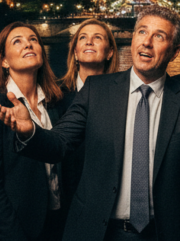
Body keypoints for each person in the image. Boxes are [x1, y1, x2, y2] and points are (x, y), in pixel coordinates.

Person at [0, 5, 180, 241]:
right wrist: (31, 131)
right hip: (98, 231)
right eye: (142, 32)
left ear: (175, 52)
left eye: (159, 36)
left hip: (163, 232)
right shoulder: (97, 90)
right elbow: (59, 143)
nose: (146, 41)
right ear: (133, 39)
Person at [0, 22, 65, 241]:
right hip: (13, 229)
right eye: (18, 41)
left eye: (33, 39)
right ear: (4, 61)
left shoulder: (55, 103)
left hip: (55, 224)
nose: (28, 44)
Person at [56, 19, 120, 213]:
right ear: (75, 52)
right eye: (83, 37)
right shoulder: (55, 97)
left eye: (97, 37)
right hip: (67, 202)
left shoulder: (124, 97)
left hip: (109, 203)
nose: (89, 41)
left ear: (110, 52)